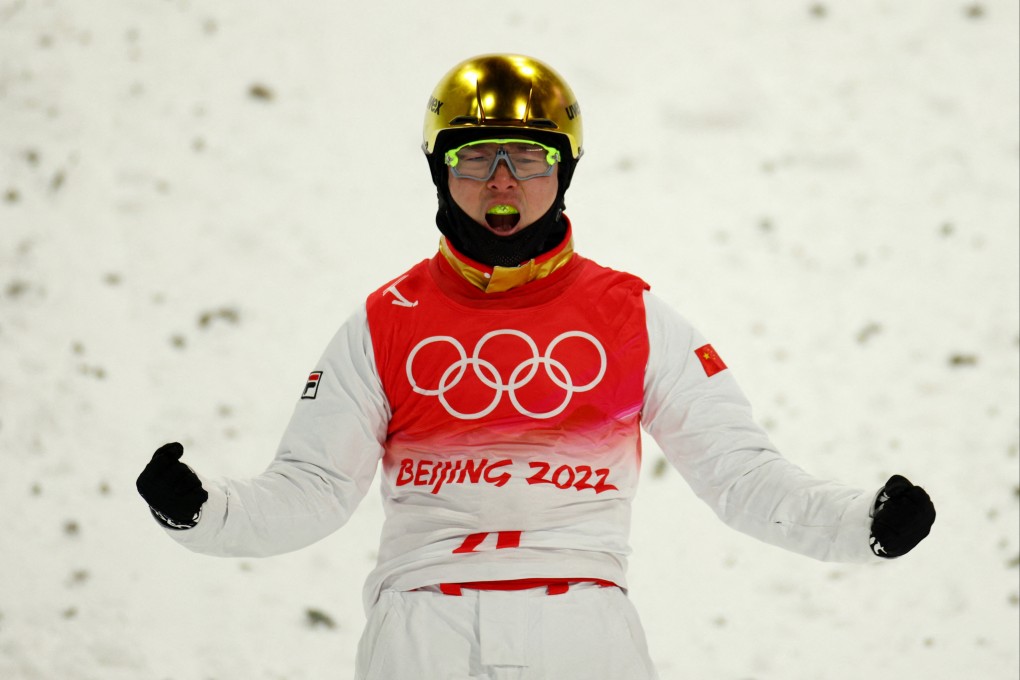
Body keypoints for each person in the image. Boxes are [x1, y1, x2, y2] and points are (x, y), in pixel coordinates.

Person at [136, 53, 936, 679]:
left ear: (565, 168)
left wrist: (858, 523)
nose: (504, 181)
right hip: (424, 626)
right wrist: (204, 512)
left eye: (528, 154)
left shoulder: (634, 315)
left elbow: (741, 474)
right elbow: (310, 490)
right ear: (440, 169)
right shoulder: (384, 320)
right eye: (477, 157)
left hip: (582, 626)